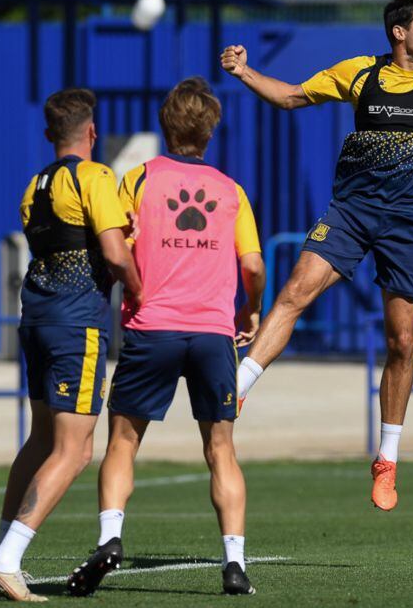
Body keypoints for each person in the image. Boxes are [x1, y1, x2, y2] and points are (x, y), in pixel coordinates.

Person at [219, 0, 413, 511]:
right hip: (351, 212)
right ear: (400, 31)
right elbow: (292, 96)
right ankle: (236, 386)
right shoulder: (361, 74)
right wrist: (244, 72)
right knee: (296, 290)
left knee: (402, 343)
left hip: (409, 224)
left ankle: (386, 461)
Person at [66, 77, 265, 597]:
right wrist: (253, 307)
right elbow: (253, 264)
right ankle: (235, 563)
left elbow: (114, 242)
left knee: (124, 441)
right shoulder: (230, 190)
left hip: (152, 328)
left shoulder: (136, 180)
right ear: (211, 129)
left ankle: (111, 537)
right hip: (213, 333)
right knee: (221, 448)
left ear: (165, 125)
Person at [0, 89, 143, 602]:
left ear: (51, 134)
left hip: (37, 318)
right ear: (91, 133)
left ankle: (0, 555)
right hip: (77, 323)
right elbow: (114, 255)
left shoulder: (34, 185)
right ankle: (6, 560)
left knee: (42, 439)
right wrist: (140, 289)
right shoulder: (95, 177)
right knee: (76, 451)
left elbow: (67, 242)